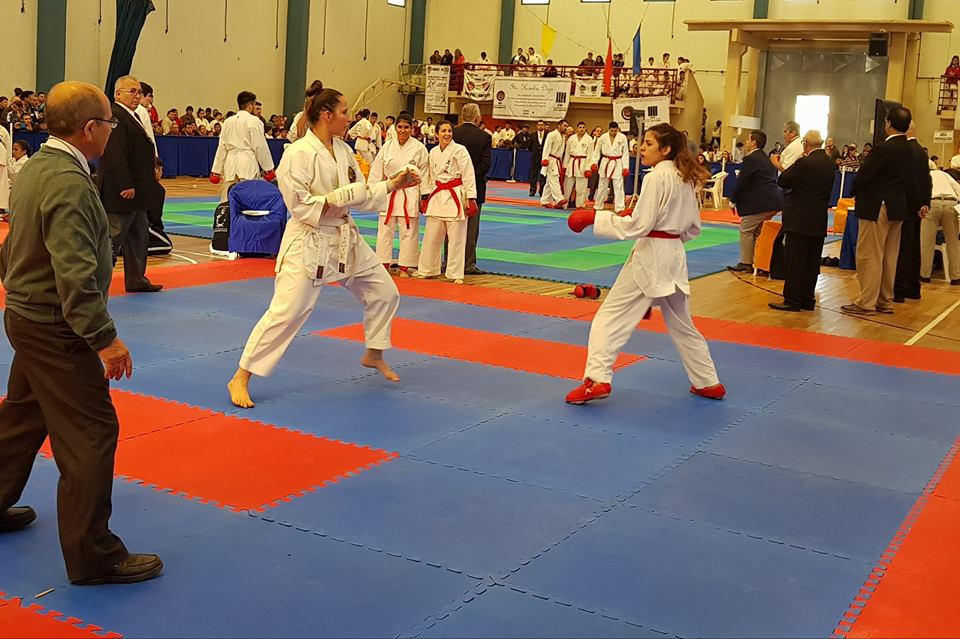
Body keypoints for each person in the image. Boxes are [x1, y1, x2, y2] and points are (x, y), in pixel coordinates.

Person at [0, 80, 162, 585]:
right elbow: (74, 274)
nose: (112, 131)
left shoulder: (35, 167)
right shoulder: (68, 182)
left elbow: (13, 247)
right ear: (91, 128)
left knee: (24, 416)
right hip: (56, 326)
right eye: (110, 123)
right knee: (92, 432)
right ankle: (93, 555)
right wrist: (104, 338)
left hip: (28, 315)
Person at [227, 81, 420, 409]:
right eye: (345, 112)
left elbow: (361, 194)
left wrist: (392, 184)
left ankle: (374, 352)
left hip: (344, 236)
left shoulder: (343, 151)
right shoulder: (297, 154)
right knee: (288, 311)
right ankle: (241, 376)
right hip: (309, 239)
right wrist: (335, 199)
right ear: (327, 115)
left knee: (385, 291)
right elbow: (299, 204)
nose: (350, 118)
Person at [564, 123, 725, 404]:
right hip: (674, 255)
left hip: (650, 256)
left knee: (609, 317)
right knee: (682, 324)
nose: (641, 148)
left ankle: (597, 379)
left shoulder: (655, 177)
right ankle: (707, 381)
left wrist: (595, 218)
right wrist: (667, 235)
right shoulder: (685, 177)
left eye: (649, 143)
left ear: (666, 149)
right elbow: (693, 228)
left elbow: (638, 226)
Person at [842, 106, 915, 316]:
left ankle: (866, 302)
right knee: (890, 256)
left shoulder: (883, 149)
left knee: (870, 255)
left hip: (877, 207)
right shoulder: (910, 149)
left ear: (888, 123)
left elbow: (864, 175)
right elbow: (913, 181)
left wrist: (853, 191)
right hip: (897, 207)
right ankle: (885, 300)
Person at [99, 75, 162, 293]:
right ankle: (96, 280)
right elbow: (115, 155)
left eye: (139, 92)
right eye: (132, 91)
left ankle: (136, 278)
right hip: (122, 191)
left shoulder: (132, 116)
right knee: (112, 238)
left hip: (139, 191)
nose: (137, 95)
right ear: (118, 94)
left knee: (138, 236)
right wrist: (124, 184)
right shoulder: (116, 116)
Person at [769, 130, 836, 312]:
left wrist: (779, 165)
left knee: (795, 261)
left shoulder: (805, 163)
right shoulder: (829, 163)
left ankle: (793, 300)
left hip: (799, 218)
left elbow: (784, 180)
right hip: (818, 218)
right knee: (811, 262)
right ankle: (807, 298)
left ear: (806, 144)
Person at [415, 120, 477, 284]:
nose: (447, 134)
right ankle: (428, 269)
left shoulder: (460, 150)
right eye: (443, 131)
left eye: (449, 131)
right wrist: (425, 196)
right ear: (437, 134)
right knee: (431, 236)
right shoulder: (433, 152)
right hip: (437, 195)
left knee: (456, 239)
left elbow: (468, 174)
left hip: (454, 194)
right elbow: (429, 176)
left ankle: (455, 273)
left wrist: (471, 198)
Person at [369, 113, 429, 275]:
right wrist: (374, 190)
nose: (403, 130)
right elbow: (377, 171)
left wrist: (425, 196)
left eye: (406, 127)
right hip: (389, 191)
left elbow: (425, 173)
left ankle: (405, 266)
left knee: (409, 230)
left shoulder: (419, 149)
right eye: (400, 127)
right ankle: (383, 263)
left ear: (412, 128)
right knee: (384, 229)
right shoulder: (387, 147)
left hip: (409, 192)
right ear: (395, 128)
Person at [726, 130, 783, 272]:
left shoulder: (751, 159)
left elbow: (742, 181)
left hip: (761, 202)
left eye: (748, 139)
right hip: (772, 201)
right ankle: (760, 262)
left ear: (753, 143)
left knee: (746, 229)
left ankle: (746, 263)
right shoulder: (764, 157)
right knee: (757, 231)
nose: (746, 142)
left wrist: (733, 200)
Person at [210, 91, 276, 200]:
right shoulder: (254, 121)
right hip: (247, 162)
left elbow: (222, 147)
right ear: (250, 106)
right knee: (248, 198)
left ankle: (227, 211)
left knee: (228, 198)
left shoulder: (228, 121)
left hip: (230, 164)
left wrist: (216, 170)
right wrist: (268, 168)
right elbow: (260, 146)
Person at [893, 121, 933, 303]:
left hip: (908, 205)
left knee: (904, 248)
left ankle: (900, 289)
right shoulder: (921, 151)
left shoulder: (908, 150)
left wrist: (917, 205)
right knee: (914, 247)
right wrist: (924, 204)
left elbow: (912, 182)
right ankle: (912, 287)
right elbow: (926, 181)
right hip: (917, 205)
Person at [451, 103, 491, 275]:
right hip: (474, 187)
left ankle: (450, 261)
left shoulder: (452, 133)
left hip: (451, 186)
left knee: (451, 225)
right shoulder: (484, 137)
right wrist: (470, 179)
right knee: (471, 228)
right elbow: (485, 164)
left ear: (462, 117)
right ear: (478, 118)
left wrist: (458, 178)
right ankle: (467, 264)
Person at [920, 160, 960, 284]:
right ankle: (956, 277)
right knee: (953, 242)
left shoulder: (923, 175)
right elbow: (958, 189)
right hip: (951, 203)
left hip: (932, 203)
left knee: (927, 242)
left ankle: (925, 275)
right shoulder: (944, 174)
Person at [588, 121, 630, 214]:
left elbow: (625, 153)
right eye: (612, 131)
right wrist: (594, 163)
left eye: (615, 131)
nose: (613, 132)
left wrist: (625, 167)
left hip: (617, 162)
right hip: (606, 161)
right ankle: (598, 206)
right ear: (609, 129)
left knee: (618, 186)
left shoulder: (622, 137)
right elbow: (597, 151)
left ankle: (620, 207)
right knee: (602, 185)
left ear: (617, 129)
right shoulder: (603, 137)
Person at [539, 118, 568, 208]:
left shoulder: (563, 136)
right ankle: (559, 198)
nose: (565, 128)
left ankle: (545, 200)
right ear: (559, 125)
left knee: (549, 182)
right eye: (564, 126)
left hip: (557, 160)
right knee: (554, 179)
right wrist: (545, 159)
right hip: (551, 160)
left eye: (566, 126)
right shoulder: (552, 134)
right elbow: (546, 147)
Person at [563, 121, 592, 208]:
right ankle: (564, 204)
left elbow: (590, 155)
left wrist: (588, 168)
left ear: (585, 128)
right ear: (577, 128)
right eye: (580, 127)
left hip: (583, 163)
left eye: (583, 127)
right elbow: (567, 153)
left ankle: (580, 205)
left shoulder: (589, 139)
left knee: (581, 187)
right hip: (572, 162)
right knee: (567, 185)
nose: (581, 129)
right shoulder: (571, 138)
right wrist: (565, 166)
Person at [528, 120, 547, 197]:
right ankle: (532, 190)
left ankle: (542, 191)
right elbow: (529, 147)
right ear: (536, 126)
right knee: (533, 175)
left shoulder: (548, 135)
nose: (540, 126)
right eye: (539, 125)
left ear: (544, 126)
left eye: (542, 125)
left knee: (543, 175)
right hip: (534, 158)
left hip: (544, 158)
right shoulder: (532, 135)